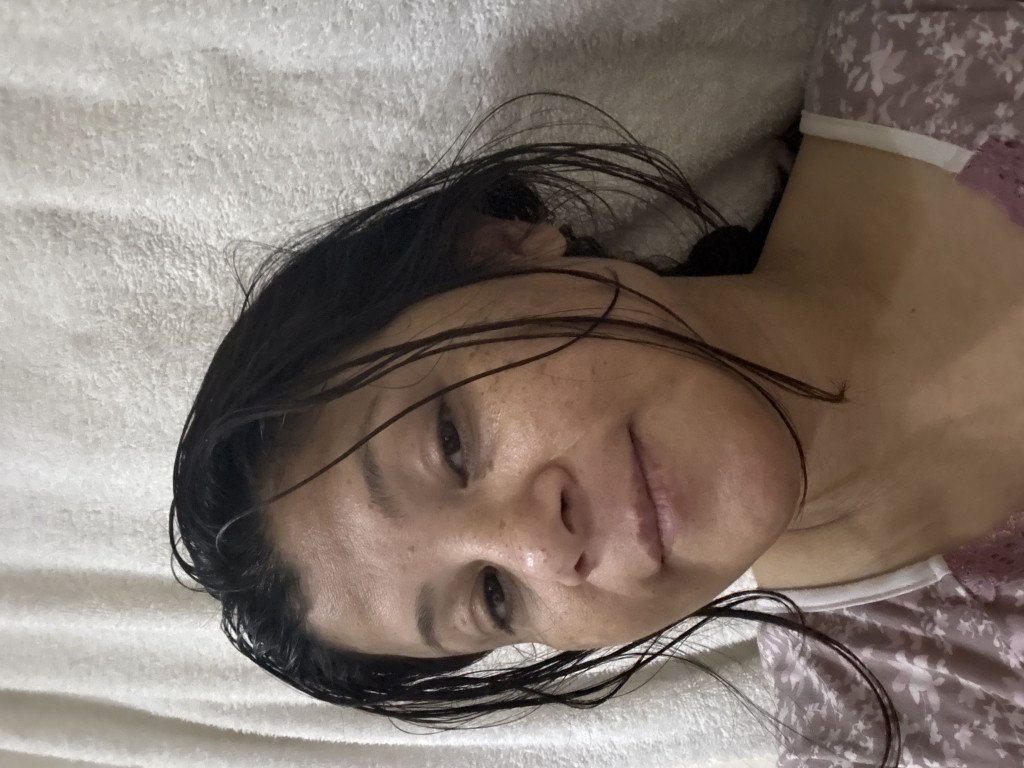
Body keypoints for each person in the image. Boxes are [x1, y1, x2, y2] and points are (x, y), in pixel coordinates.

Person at [170, 1, 1024, 766]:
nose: (544, 549)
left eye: (452, 444)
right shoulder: (914, 737)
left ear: (498, 249)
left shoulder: (949, 30)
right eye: (493, 596)